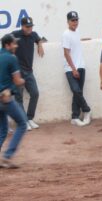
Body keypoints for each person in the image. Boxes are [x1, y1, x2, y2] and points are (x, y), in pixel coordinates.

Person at [0, 34, 27, 168]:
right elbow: (17, 81)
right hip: (6, 98)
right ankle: (7, 156)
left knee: (3, 130)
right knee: (22, 123)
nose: (16, 46)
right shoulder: (11, 58)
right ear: (7, 45)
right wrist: (23, 80)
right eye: (14, 44)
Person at [12, 17, 44, 131]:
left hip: (29, 71)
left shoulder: (33, 34)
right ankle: (24, 122)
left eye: (31, 26)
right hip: (18, 72)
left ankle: (29, 118)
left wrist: (40, 44)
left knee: (35, 93)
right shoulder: (15, 34)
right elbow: (4, 42)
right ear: (22, 26)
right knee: (18, 98)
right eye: (27, 27)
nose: (29, 29)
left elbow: (39, 39)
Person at [62, 11, 91, 127]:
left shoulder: (77, 31)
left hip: (81, 66)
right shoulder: (65, 34)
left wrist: (86, 39)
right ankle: (87, 110)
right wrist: (73, 69)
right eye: (72, 20)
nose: (75, 22)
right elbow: (66, 53)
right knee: (76, 90)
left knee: (78, 93)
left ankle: (74, 117)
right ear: (68, 21)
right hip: (70, 68)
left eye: (76, 20)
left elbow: (76, 43)